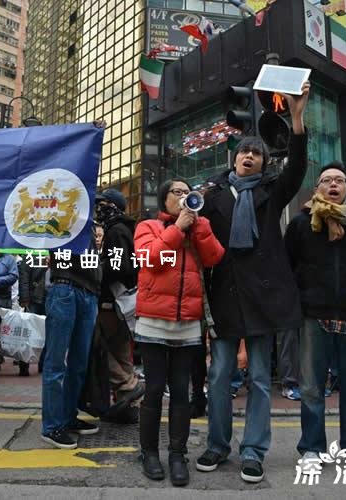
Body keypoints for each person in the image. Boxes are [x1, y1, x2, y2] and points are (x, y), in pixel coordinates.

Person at [196, 82, 310, 482]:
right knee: (220, 375)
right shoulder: (213, 197)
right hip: (225, 296)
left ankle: (254, 451)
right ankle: (216, 444)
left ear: (263, 163)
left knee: (261, 379)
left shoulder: (271, 193)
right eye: (244, 151)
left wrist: (296, 119)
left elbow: (296, 169)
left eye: (257, 153)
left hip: (265, 298)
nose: (249, 156)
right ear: (234, 157)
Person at [285, 162, 346, 476]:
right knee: (312, 388)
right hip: (314, 315)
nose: (333, 185)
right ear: (317, 188)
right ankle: (312, 449)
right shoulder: (302, 223)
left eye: (339, 180)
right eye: (326, 180)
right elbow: (291, 264)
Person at [135, 178, 224, 486]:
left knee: (182, 393)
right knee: (155, 390)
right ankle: (148, 453)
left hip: (187, 325)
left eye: (189, 193)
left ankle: (177, 454)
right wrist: (177, 229)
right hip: (152, 324)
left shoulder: (200, 227)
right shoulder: (148, 226)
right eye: (177, 192)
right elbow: (150, 258)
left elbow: (214, 257)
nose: (184, 197)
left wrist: (196, 227)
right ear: (164, 198)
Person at [40, 230, 102, 450]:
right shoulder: (63, 211)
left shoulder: (90, 222)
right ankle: (52, 426)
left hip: (89, 292)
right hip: (64, 288)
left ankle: (67, 417)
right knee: (56, 363)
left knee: (78, 364)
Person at [96, 188, 145, 416]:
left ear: (113, 205)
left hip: (112, 302)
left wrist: (97, 267)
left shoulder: (116, 230)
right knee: (122, 353)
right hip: (124, 303)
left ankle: (129, 385)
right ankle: (129, 408)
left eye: (103, 203)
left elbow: (120, 267)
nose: (99, 208)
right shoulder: (125, 228)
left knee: (95, 349)